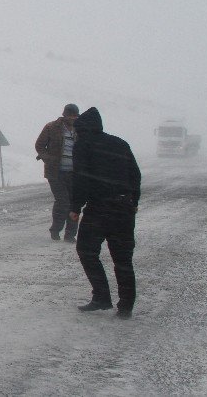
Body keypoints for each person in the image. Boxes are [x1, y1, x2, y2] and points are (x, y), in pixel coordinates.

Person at [69, 107, 141, 319]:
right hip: (124, 209)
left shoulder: (83, 145)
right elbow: (135, 174)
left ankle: (101, 296)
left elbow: (80, 178)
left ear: (82, 128)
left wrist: (75, 207)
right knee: (123, 260)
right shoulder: (120, 143)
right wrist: (134, 200)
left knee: (86, 250)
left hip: (99, 209)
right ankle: (126, 307)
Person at [35, 103, 80, 242]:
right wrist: (48, 159)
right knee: (63, 202)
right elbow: (39, 145)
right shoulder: (51, 127)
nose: (72, 119)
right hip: (56, 172)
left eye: (75, 116)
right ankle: (55, 230)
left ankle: (70, 234)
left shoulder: (81, 129)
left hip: (75, 173)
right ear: (64, 115)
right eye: (70, 116)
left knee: (75, 203)